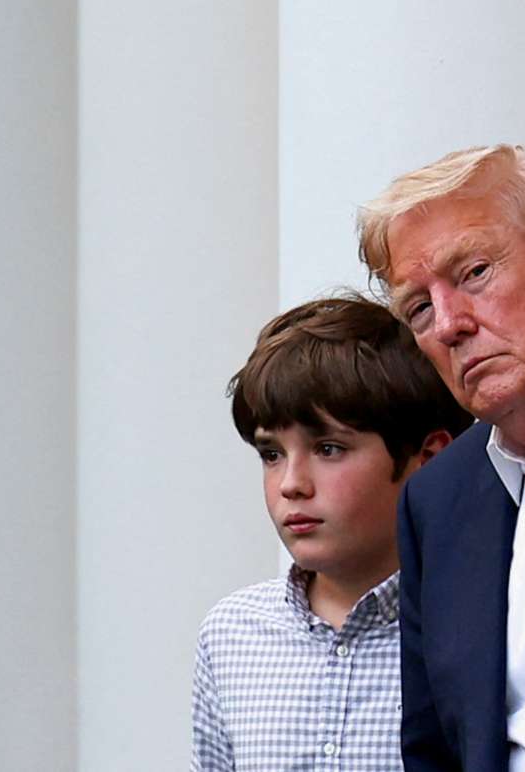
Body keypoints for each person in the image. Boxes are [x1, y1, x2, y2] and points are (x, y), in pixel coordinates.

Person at [189, 296, 474, 771]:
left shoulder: (476, 628)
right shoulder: (231, 634)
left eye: (328, 448)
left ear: (428, 460)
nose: (291, 484)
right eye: (271, 454)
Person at [358, 144, 525, 772]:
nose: (447, 325)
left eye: (474, 273)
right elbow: (432, 750)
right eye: (419, 307)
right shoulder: (438, 499)